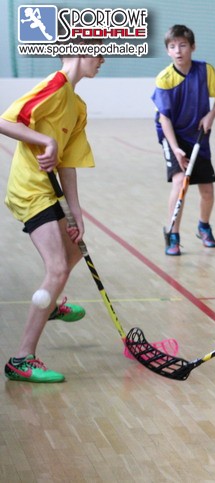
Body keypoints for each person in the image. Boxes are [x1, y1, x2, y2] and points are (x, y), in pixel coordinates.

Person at [0, 39, 104, 383]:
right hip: (30, 189)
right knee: (57, 267)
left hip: (50, 190)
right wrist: (45, 141)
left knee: (73, 251)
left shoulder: (78, 105)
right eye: (98, 51)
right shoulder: (54, 86)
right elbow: (5, 121)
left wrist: (76, 212)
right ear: (78, 51)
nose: (103, 59)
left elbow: (68, 163)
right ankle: (21, 359)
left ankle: (51, 300)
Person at [152, 24, 215, 256]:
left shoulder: (205, 71)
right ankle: (173, 233)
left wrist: (210, 116)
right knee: (180, 182)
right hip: (172, 136)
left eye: (183, 45)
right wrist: (175, 148)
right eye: (173, 46)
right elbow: (164, 119)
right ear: (168, 51)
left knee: (207, 189)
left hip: (198, 135)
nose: (178, 51)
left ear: (192, 47)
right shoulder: (164, 79)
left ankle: (204, 226)